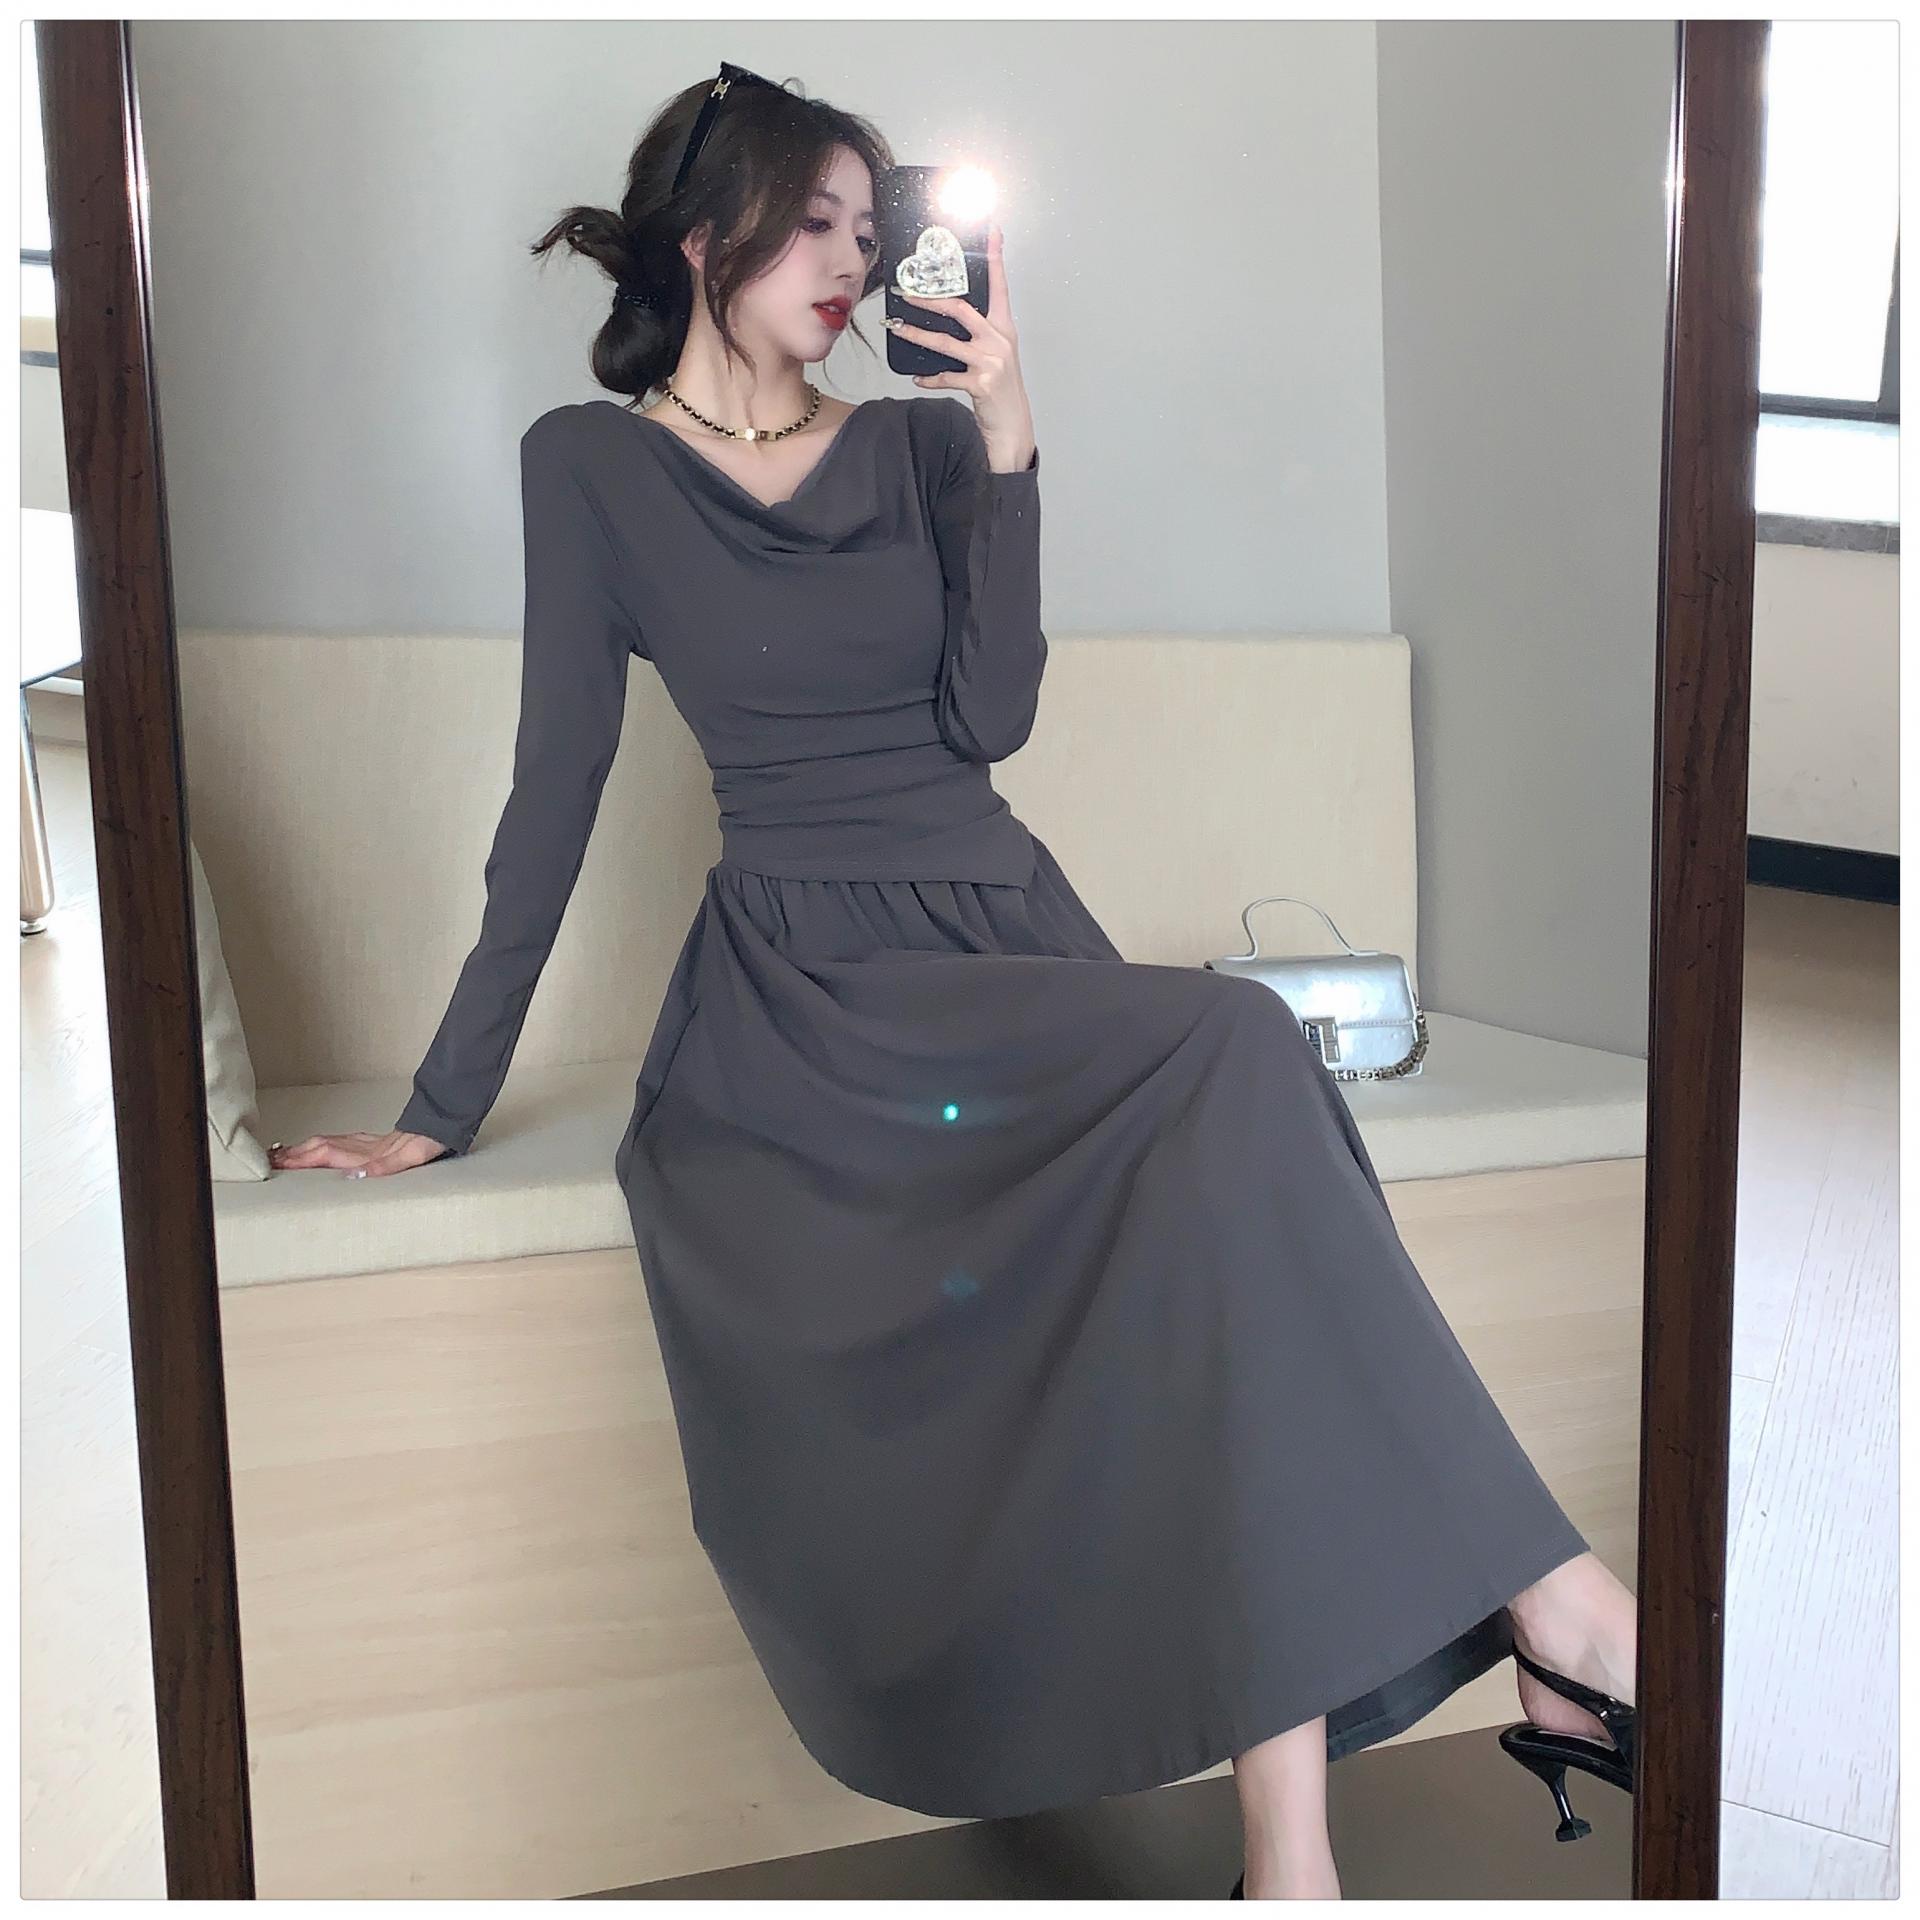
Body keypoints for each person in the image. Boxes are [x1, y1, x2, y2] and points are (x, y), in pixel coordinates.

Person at [270, 66, 1638, 1899]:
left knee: (1229, 1110)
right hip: (809, 1003)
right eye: (817, 226)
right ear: (709, 239)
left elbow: (991, 719)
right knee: (1237, 1069)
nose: (854, 261)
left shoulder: (922, 445)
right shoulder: (587, 467)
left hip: (999, 937)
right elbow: (556, 786)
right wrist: (441, 1107)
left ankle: (1298, 1842)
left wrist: (1004, 432)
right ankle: (1548, 1621)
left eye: (873, 225)